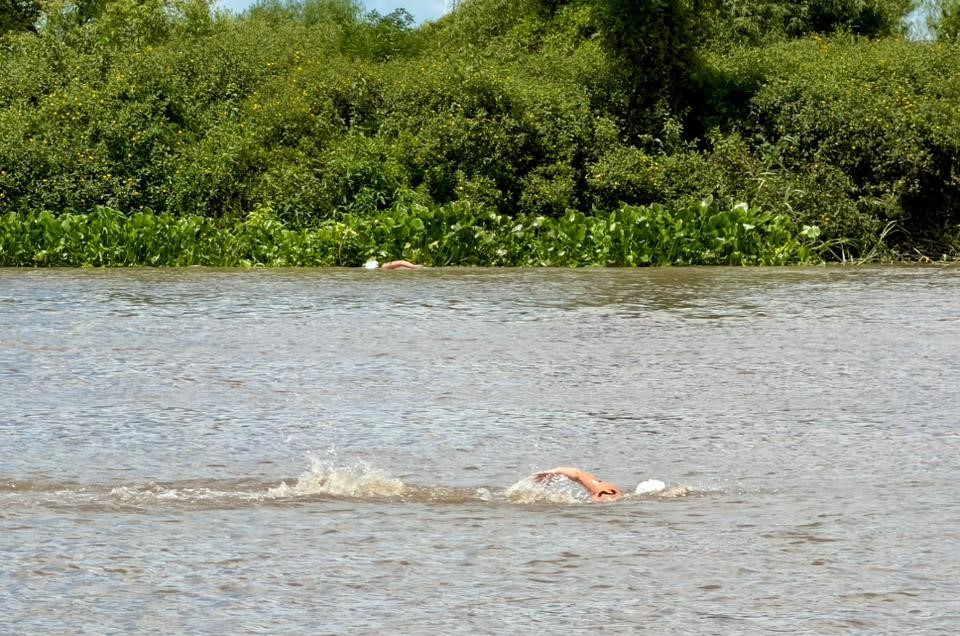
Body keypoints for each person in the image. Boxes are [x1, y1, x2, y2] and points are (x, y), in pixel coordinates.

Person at [532, 466, 624, 502]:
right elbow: (577, 474)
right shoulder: (608, 489)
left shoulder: (603, 490)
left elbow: (577, 473)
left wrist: (552, 472)